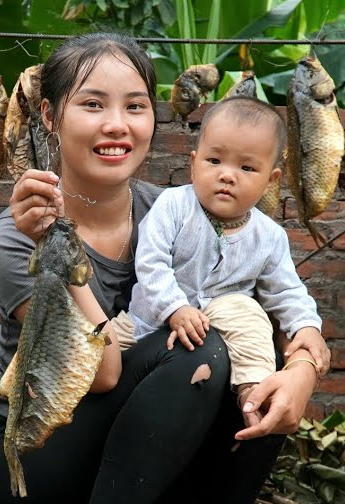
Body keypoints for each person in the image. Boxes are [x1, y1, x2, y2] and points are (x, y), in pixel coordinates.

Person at [0, 32, 329, 504]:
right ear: (49, 115)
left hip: (134, 492)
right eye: (93, 104)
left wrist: (303, 367)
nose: (118, 125)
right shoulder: (16, 236)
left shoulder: (174, 213)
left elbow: (270, 302)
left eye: (135, 107)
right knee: (195, 346)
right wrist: (57, 248)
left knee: (248, 350)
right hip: (31, 469)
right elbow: (103, 372)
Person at [116, 96, 325, 425]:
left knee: (251, 316)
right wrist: (175, 308)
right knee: (96, 349)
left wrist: (307, 327)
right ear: (193, 163)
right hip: (143, 321)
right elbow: (150, 262)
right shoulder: (173, 205)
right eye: (214, 161)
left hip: (221, 322)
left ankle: (252, 394)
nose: (228, 175)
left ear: (271, 181)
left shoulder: (269, 236)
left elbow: (287, 291)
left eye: (246, 168)